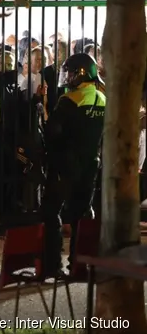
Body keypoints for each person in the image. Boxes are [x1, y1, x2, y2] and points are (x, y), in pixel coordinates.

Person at [42, 53, 106, 275]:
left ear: (80, 74)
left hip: (64, 165)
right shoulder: (102, 99)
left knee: (51, 212)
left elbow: (52, 132)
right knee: (81, 214)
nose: (66, 78)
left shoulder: (69, 100)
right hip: (90, 165)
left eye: (69, 73)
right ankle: (79, 266)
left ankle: (52, 265)